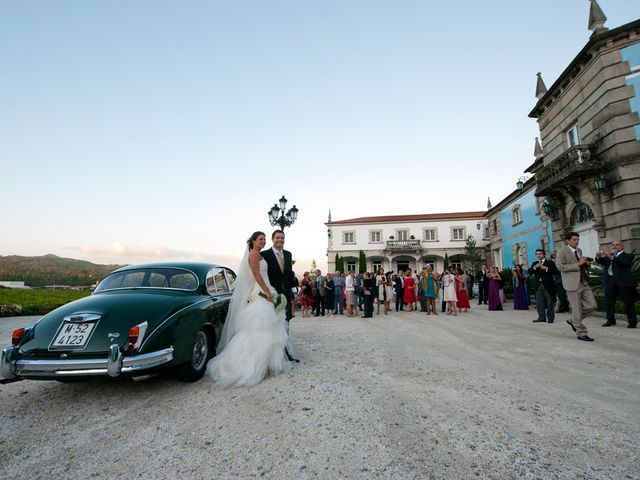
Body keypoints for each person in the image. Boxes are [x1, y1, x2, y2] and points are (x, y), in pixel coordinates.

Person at [206, 231, 291, 388]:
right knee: (259, 329)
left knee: (270, 329)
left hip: (267, 288)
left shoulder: (259, 255)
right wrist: (266, 291)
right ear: (253, 241)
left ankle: (268, 363)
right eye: (260, 239)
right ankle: (252, 365)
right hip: (261, 291)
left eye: (264, 239)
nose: (263, 241)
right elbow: (256, 274)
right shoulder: (253, 255)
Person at [260, 229, 299, 361]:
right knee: (273, 324)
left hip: (286, 295)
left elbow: (289, 275)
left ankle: (285, 351)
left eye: (282, 238)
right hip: (271, 295)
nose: (280, 240)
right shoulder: (264, 254)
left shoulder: (288, 254)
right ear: (272, 239)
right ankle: (272, 355)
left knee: (286, 322)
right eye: (277, 238)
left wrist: (294, 292)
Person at [556, 231, 596, 341]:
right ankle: (581, 333)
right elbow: (560, 267)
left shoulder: (579, 251)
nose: (576, 242)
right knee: (576, 309)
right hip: (571, 284)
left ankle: (572, 320)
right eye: (574, 240)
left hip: (583, 281)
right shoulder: (561, 251)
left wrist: (585, 264)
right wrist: (577, 264)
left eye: (578, 239)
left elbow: (580, 265)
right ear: (567, 241)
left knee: (592, 305)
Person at [596, 241, 637, 328]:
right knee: (609, 302)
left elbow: (624, 263)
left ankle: (632, 322)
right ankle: (610, 320)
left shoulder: (628, 256)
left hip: (623, 283)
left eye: (617, 245)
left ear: (622, 246)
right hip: (610, 281)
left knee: (628, 302)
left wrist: (610, 256)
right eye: (613, 245)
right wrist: (598, 256)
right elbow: (600, 261)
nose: (614, 246)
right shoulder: (609, 257)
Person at [528, 249, 558, 323]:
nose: (538, 255)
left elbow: (556, 271)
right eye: (537, 254)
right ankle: (541, 317)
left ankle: (550, 318)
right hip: (538, 285)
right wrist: (535, 267)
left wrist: (546, 268)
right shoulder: (535, 263)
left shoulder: (549, 262)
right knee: (539, 302)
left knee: (550, 301)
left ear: (544, 254)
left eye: (540, 254)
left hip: (548, 285)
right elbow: (530, 272)